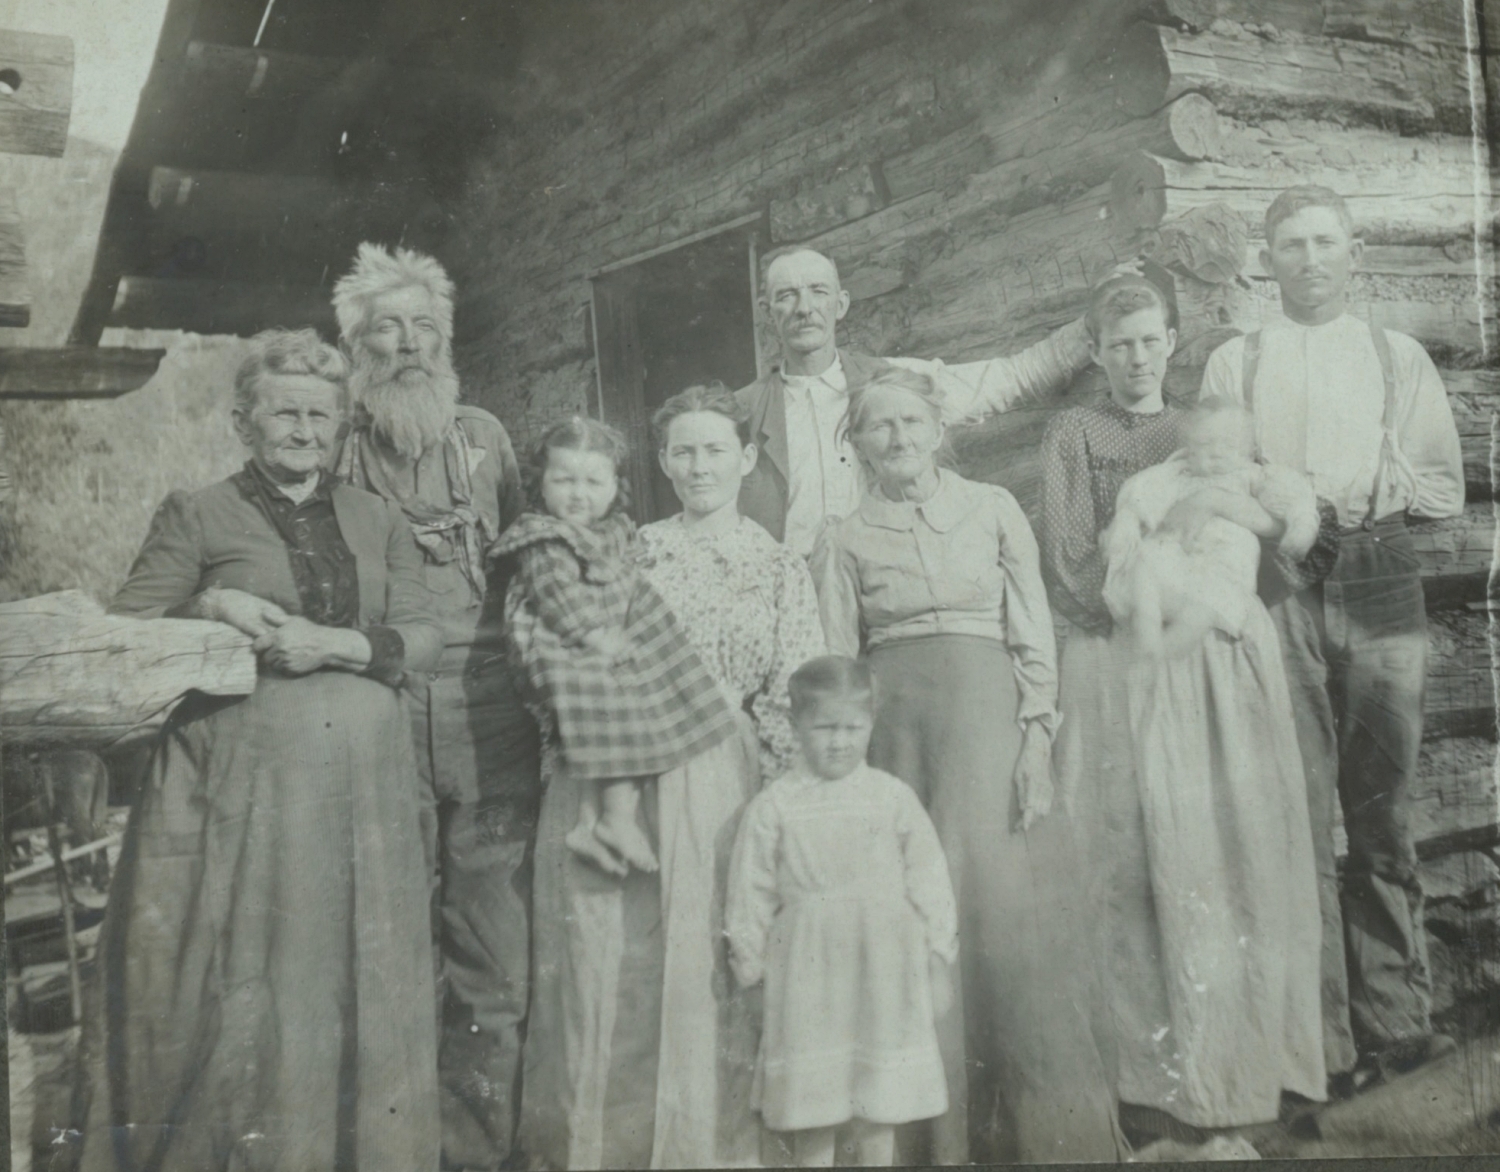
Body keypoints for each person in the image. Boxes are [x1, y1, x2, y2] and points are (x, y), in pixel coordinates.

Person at [74, 329, 442, 1171]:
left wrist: (337, 647)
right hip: (249, 805)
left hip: (368, 805)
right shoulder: (199, 513)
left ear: (342, 423)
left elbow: (425, 635)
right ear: (246, 421)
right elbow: (125, 633)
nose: (304, 431)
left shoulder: (378, 516)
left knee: (359, 980)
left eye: (320, 415)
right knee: (266, 984)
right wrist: (212, 603)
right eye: (285, 414)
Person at [1043, 276, 1339, 1146]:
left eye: (1149, 339)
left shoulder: (1207, 430)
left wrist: (1227, 548)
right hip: (1123, 657)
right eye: (1119, 341)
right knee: (1144, 865)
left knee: (1241, 853)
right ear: (1095, 349)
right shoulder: (1077, 432)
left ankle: (1261, 1077)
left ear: (1171, 340)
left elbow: (1290, 536)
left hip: (1223, 656)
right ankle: (1157, 1095)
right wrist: (1154, 607)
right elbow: (1074, 561)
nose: (1136, 355)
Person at [811, 368, 1120, 1164]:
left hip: (991, 734)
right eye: (880, 427)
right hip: (900, 747)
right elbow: (840, 664)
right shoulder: (843, 538)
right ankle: (935, 1144)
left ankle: (1047, 1136)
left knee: (1008, 920)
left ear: (939, 428)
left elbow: (1032, 636)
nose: (900, 438)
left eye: (913, 421)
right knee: (918, 926)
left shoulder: (991, 509)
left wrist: (1037, 744)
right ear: (856, 445)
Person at [518, 383, 825, 1169]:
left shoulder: (781, 565)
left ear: (747, 458)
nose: (698, 466)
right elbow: (559, 636)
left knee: (702, 960)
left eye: (715, 449)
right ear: (659, 461)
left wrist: (786, 801)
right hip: (613, 764)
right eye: (682, 451)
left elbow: (795, 685)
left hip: (721, 770)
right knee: (606, 961)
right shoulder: (625, 548)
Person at [1201, 185, 1465, 1087]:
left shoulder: (1398, 358)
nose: (1309, 259)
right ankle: (1320, 1042)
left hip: (1381, 573)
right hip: (1279, 579)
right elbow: (1217, 481)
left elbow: (1441, 487)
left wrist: (1370, 498)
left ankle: (1395, 1020)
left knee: (1380, 803)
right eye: (1289, 245)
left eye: (1324, 242)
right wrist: (1287, 509)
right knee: (1295, 807)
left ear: (1354, 253)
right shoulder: (1237, 362)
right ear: (1264, 261)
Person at [331, 242, 538, 1169]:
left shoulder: (485, 439)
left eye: (425, 328)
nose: (409, 345)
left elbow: (533, 563)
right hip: (383, 719)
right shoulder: (331, 451)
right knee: (392, 942)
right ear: (357, 346)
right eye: (388, 329)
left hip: (491, 721)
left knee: (495, 952)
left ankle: (485, 1148)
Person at [725, 655, 958, 1168]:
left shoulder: (892, 798)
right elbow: (750, 893)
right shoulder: (776, 805)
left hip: (884, 971)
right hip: (808, 976)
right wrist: (752, 973)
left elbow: (930, 881)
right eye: (824, 727)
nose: (839, 741)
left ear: (871, 725)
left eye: (853, 728)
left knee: (880, 1105)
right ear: (794, 725)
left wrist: (938, 958)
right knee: (815, 1109)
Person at [489, 417, 735, 876]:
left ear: (613, 487)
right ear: (540, 484)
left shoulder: (612, 530)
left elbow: (624, 566)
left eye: (592, 481)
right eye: (563, 480)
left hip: (594, 642)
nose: (577, 494)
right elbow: (555, 595)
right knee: (616, 713)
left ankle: (592, 824)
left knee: (640, 706)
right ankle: (615, 822)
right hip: (562, 644)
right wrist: (594, 634)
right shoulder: (544, 538)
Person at [736, 246, 1099, 555]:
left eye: (818, 291)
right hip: (791, 595)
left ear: (841, 303)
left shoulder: (891, 381)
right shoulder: (740, 412)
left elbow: (1010, 377)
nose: (804, 308)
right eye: (787, 295)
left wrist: (1096, 325)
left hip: (885, 581)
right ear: (767, 311)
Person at [1103, 398, 1320, 659]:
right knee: (1143, 569)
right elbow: (1142, 491)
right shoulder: (1176, 475)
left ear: (1249, 451)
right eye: (1205, 444)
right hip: (1175, 559)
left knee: (1204, 608)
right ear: (1189, 450)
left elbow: (1292, 494)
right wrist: (1126, 521)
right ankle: (1147, 643)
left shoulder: (1251, 476)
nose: (1217, 452)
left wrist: (1301, 524)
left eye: (1229, 444)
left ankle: (1162, 655)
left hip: (1223, 560)